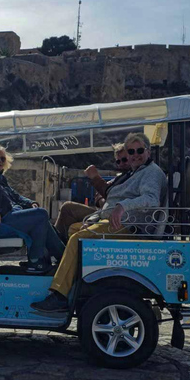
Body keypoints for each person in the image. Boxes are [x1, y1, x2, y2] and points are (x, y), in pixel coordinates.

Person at [31, 133, 167, 312]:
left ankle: (60, 295)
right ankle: (70, 273)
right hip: (113, 219)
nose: (135, 154)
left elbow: (151, 199)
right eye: (131, 151)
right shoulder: (137, 171)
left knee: (77, 239)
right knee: (73, 228)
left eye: (140, 150)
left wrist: (122, 207)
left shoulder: (151, 172)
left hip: (127, 225)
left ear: (148, 152)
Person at [0, 146, 64, 273]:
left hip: (6, 217)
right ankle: (42, 260)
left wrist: (27, 204)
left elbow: (11, 196)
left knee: (40, 218)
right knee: (41, 215)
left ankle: (53, 259)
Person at [53, 143, 133, 240]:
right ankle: (58, 243)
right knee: (67, 207)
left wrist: (95, 178)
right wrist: (102, 200)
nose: (121, 164)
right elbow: (101, 194)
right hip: (104, 212)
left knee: (67, 208)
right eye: (118, 161)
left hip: (114, 216)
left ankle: (55, 245)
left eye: (124, 160)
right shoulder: (121, 176)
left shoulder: (132, 177)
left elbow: (114, 196)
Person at [0, 144, 38, 210]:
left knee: (38, 211)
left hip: (15, 210)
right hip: (7, 214)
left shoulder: (2, 178)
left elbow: (15, 195)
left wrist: (31, 203)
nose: (0, 161)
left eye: (3, 159)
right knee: (41, 213)